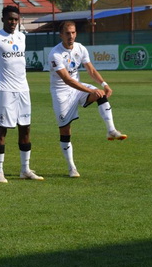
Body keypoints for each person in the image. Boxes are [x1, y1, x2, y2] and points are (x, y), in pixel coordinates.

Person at [49, 21, 127, 177]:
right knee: (65, 130)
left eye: (72, 32)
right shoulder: (55, 54)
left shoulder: (80, 48)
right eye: (67, 33)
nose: (70, 36)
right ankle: (72, 168)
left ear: (76, 33)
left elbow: (90, 70)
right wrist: (90, 89)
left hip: (77, 87)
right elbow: (67, 80)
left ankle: (111, 130)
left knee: (101, 94)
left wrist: (104, 85)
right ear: (61, 35)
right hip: (62, 92)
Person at [0, 6, 44, 183]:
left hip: (23, 89)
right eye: (10, 19)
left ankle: (25, 169)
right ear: (3, 19)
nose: (13, 22)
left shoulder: (21, 37)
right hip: (5, 90)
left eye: (15, 19)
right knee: (3, 129)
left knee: (26, 127)